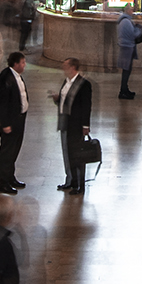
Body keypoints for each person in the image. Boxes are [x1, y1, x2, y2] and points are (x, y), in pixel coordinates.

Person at [0, 51, 29, 194]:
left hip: (19, 119)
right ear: (15, 64)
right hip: (10, 122)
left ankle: (10, 177)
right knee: (7, 152)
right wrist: (5, 124)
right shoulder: (5, 77)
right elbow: (1, 103)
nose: (24, 65)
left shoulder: (17, 76)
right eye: (22, 62)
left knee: (14, 150)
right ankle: (3, 182)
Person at [52, 57, 94, 195]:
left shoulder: (84, 84)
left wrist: (85, 125)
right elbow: (66, 100)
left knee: (77, 154)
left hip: (76, 124)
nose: (63, 69)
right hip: (66, 122)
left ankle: (79, 184)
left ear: (72, 67)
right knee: (68, 152)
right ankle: (70, 180)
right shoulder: (66, 81)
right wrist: (58, 99)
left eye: (65, 66)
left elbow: (86, 106)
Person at [114, 4, 142, 99]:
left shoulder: (124, 21)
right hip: (127, 47)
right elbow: (132, 34)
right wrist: (139, 30)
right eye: (131, 10)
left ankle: (125, 89)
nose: (132, 12)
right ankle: (123, 91)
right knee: (126, 70)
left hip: (126, 46)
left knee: (126, 69)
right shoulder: (126, 21)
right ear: (127, 11)